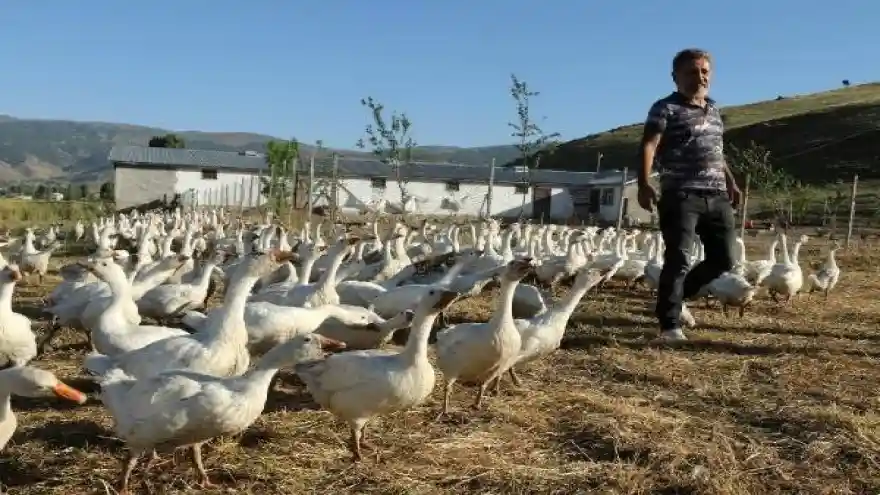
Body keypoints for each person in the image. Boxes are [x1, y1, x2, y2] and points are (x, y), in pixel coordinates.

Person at [636, 48, 742, 341]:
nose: (700, 77)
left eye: (705, 72)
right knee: (679, 258)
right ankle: (669, 326)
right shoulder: (664, 108)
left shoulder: (714, 109)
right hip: (681, 194)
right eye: (692, 72)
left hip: (717, 194)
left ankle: (678, 298)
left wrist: (730, 182)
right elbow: (649, 145)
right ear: (676, 77)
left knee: (725, 258)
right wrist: (644, 183)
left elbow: (716, 152)